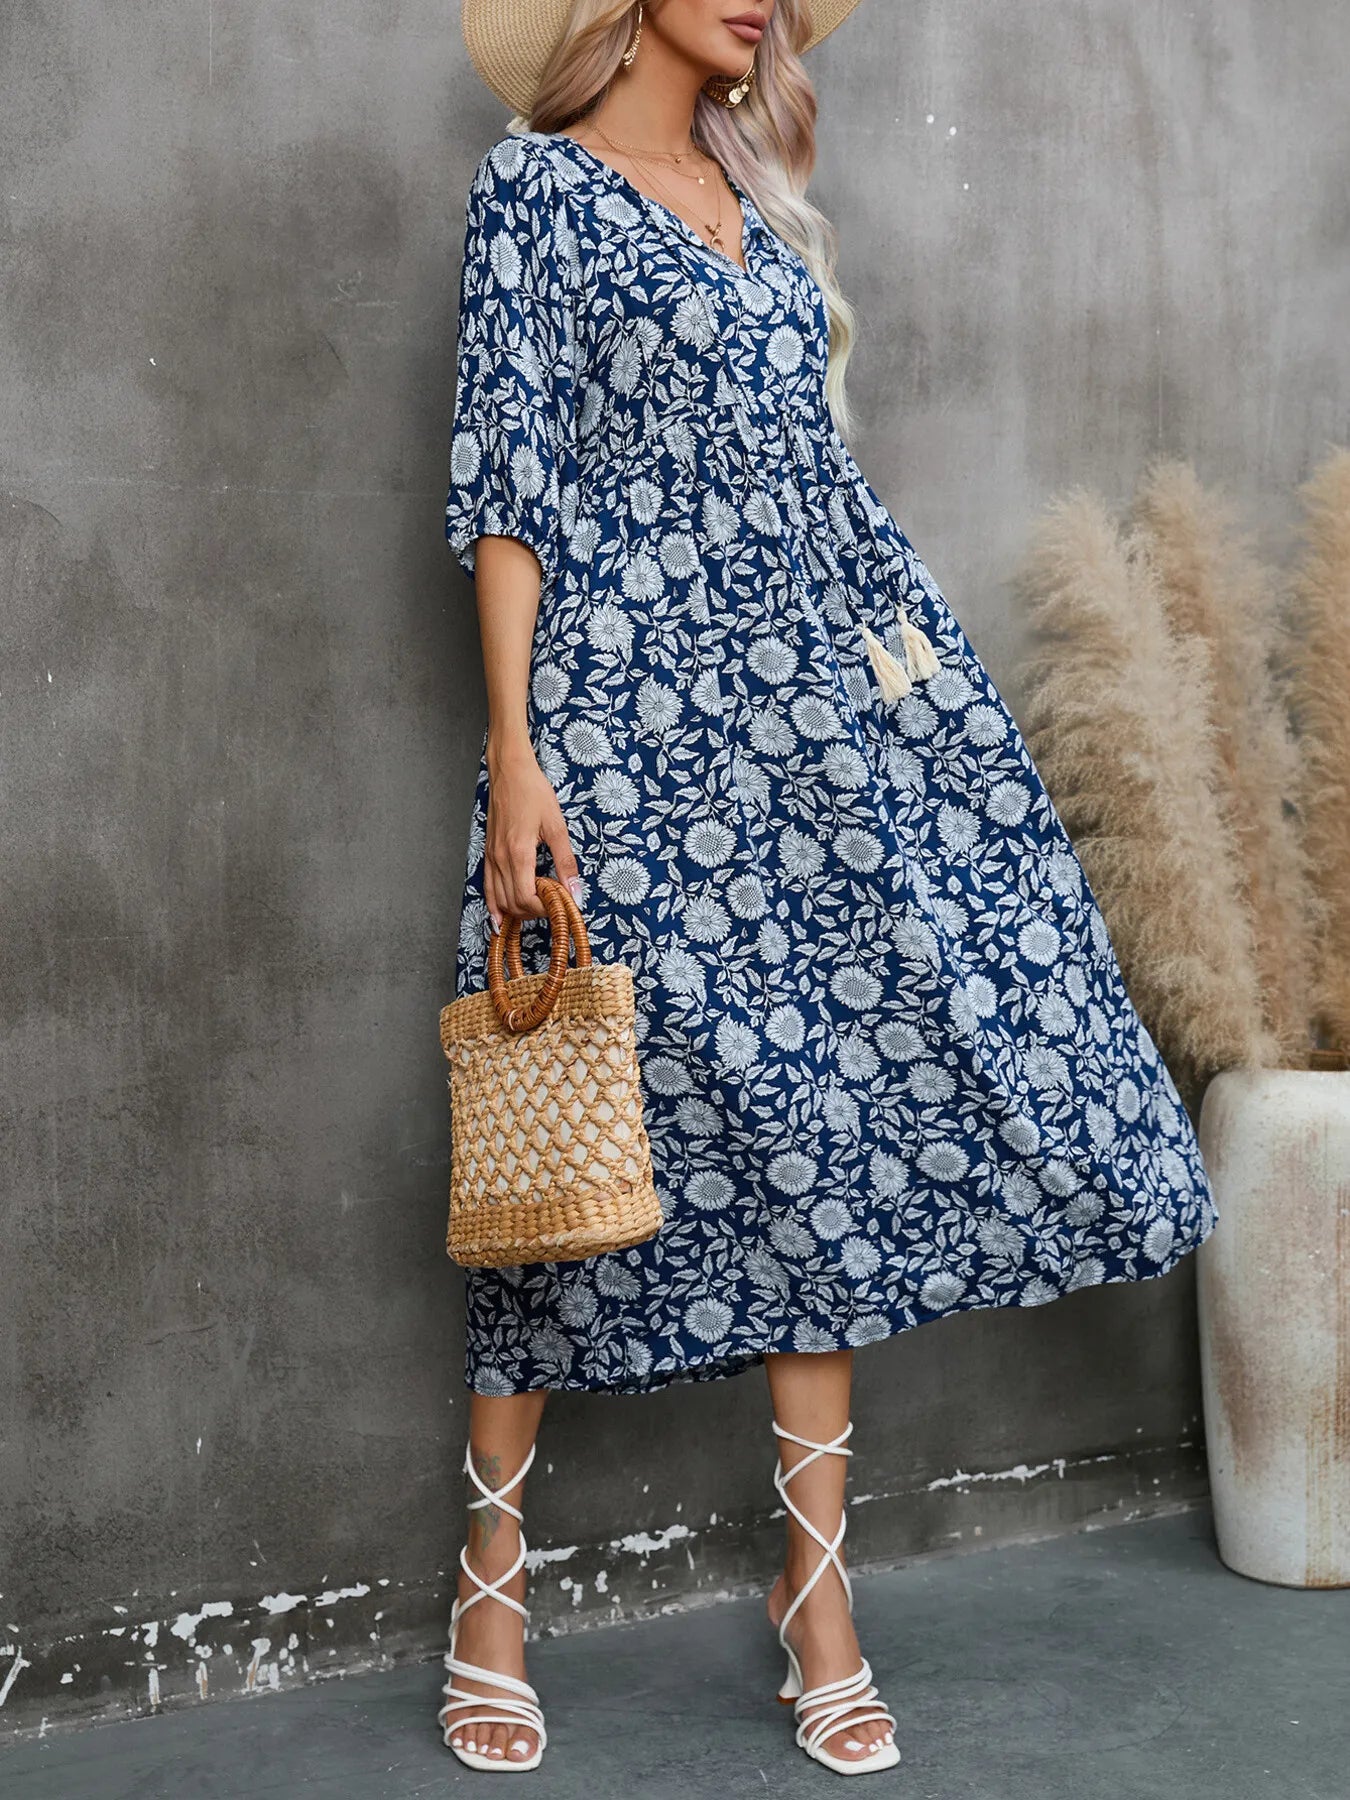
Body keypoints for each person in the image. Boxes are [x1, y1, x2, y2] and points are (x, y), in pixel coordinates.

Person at [436, 0, 1218, 1776]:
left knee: (838, 1126)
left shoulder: (757, 184)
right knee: (571, 1125)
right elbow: (510, 483)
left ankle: (817, 1591)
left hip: (824, 722)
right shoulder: (532, 194)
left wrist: (914, 682)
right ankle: (491, 1578)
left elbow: (814, 478)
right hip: (627, 727)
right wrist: (519, 755)